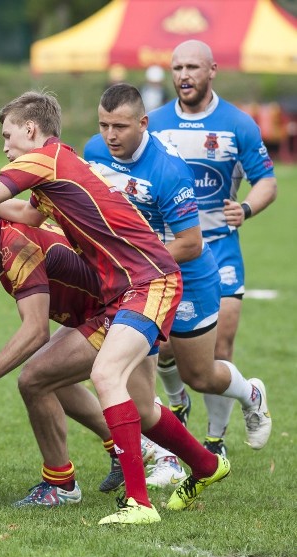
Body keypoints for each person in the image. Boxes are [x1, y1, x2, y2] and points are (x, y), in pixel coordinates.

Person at [0, 91, 230, 524]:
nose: (4, 146)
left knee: (105, 375)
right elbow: (27, 214)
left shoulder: (42, 161)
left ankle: (138, 502)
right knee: (116, 400)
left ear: (31, 131)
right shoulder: (55, 165)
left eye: (7, 136)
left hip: (148, 279)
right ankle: (207, 466)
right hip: (120, 291)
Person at [85, 83, 271, 485]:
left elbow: (190, 243)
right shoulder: (95, 153)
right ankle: (166, 459)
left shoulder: (168, 169)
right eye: (104, 125)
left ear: (143, 123)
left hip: (188, 275)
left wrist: (129, 259)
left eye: (120, 126)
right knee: (136, 372)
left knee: (200, 375)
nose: (110, 136)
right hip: (137, 281)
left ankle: (250, 394)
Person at [0, 213, 148, 505]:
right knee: (52, 376)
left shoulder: (18, 249)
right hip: (97, 311)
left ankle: (61, 485)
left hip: (121, 310)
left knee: (34, 379)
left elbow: (36, 332)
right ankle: (125, 448)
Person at [149, 40, 277, 457]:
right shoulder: (156, 124)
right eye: (177, 67)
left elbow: (267, 182)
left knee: (219, 347)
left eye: (192, 67)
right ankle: (177, 404)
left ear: (212, 71)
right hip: (170, 251)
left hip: (220, 250)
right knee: (163, 347)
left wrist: (245, 207)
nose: (183, 75)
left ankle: (215, 441)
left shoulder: (237, 124)